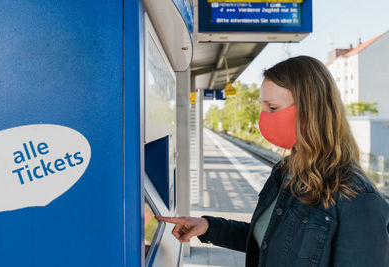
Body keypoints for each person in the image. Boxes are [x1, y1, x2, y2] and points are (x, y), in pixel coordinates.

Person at [156, 56, 389, 267]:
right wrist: (208, 226)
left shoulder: (357, 197)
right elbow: (268, 239)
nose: (264, 117)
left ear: (311, 111)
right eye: (263, 107)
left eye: (273, 108)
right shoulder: (285, 170)